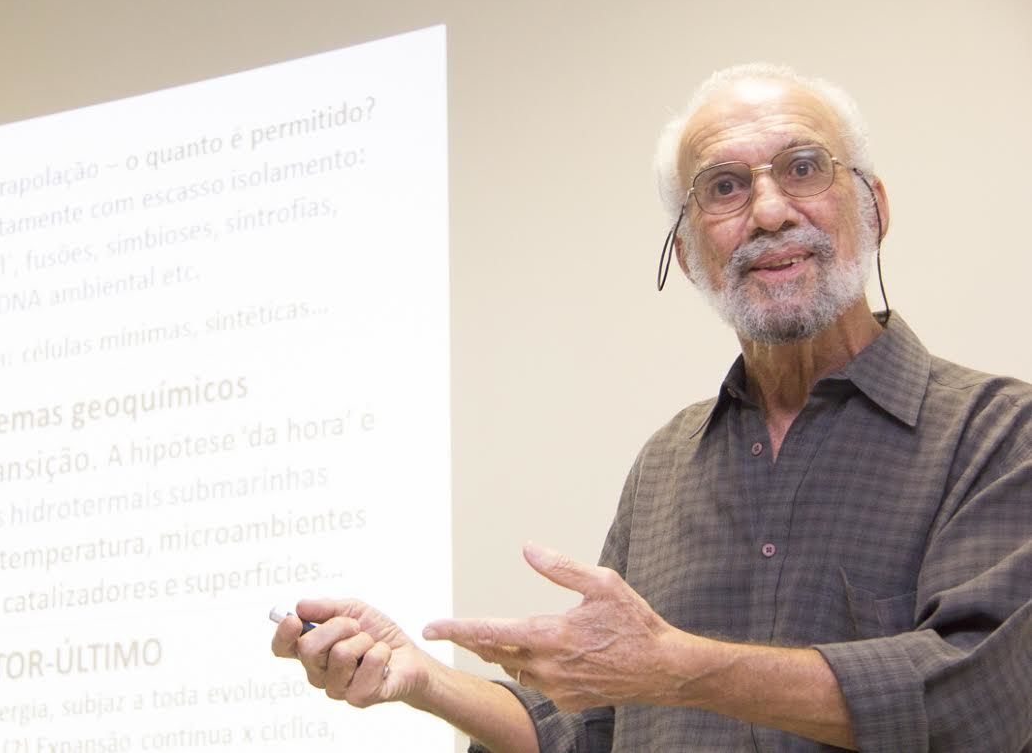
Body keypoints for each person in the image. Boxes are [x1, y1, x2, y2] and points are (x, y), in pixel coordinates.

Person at [271, 64, 1032, 752]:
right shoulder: (667, 464)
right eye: (724, 187)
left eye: (803, 169)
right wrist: (420, 677)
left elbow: (978, 699)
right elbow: (586, 729)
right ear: (690, 254)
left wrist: (674, 667)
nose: (770, 211)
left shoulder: (997, 435)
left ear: (873, 208)